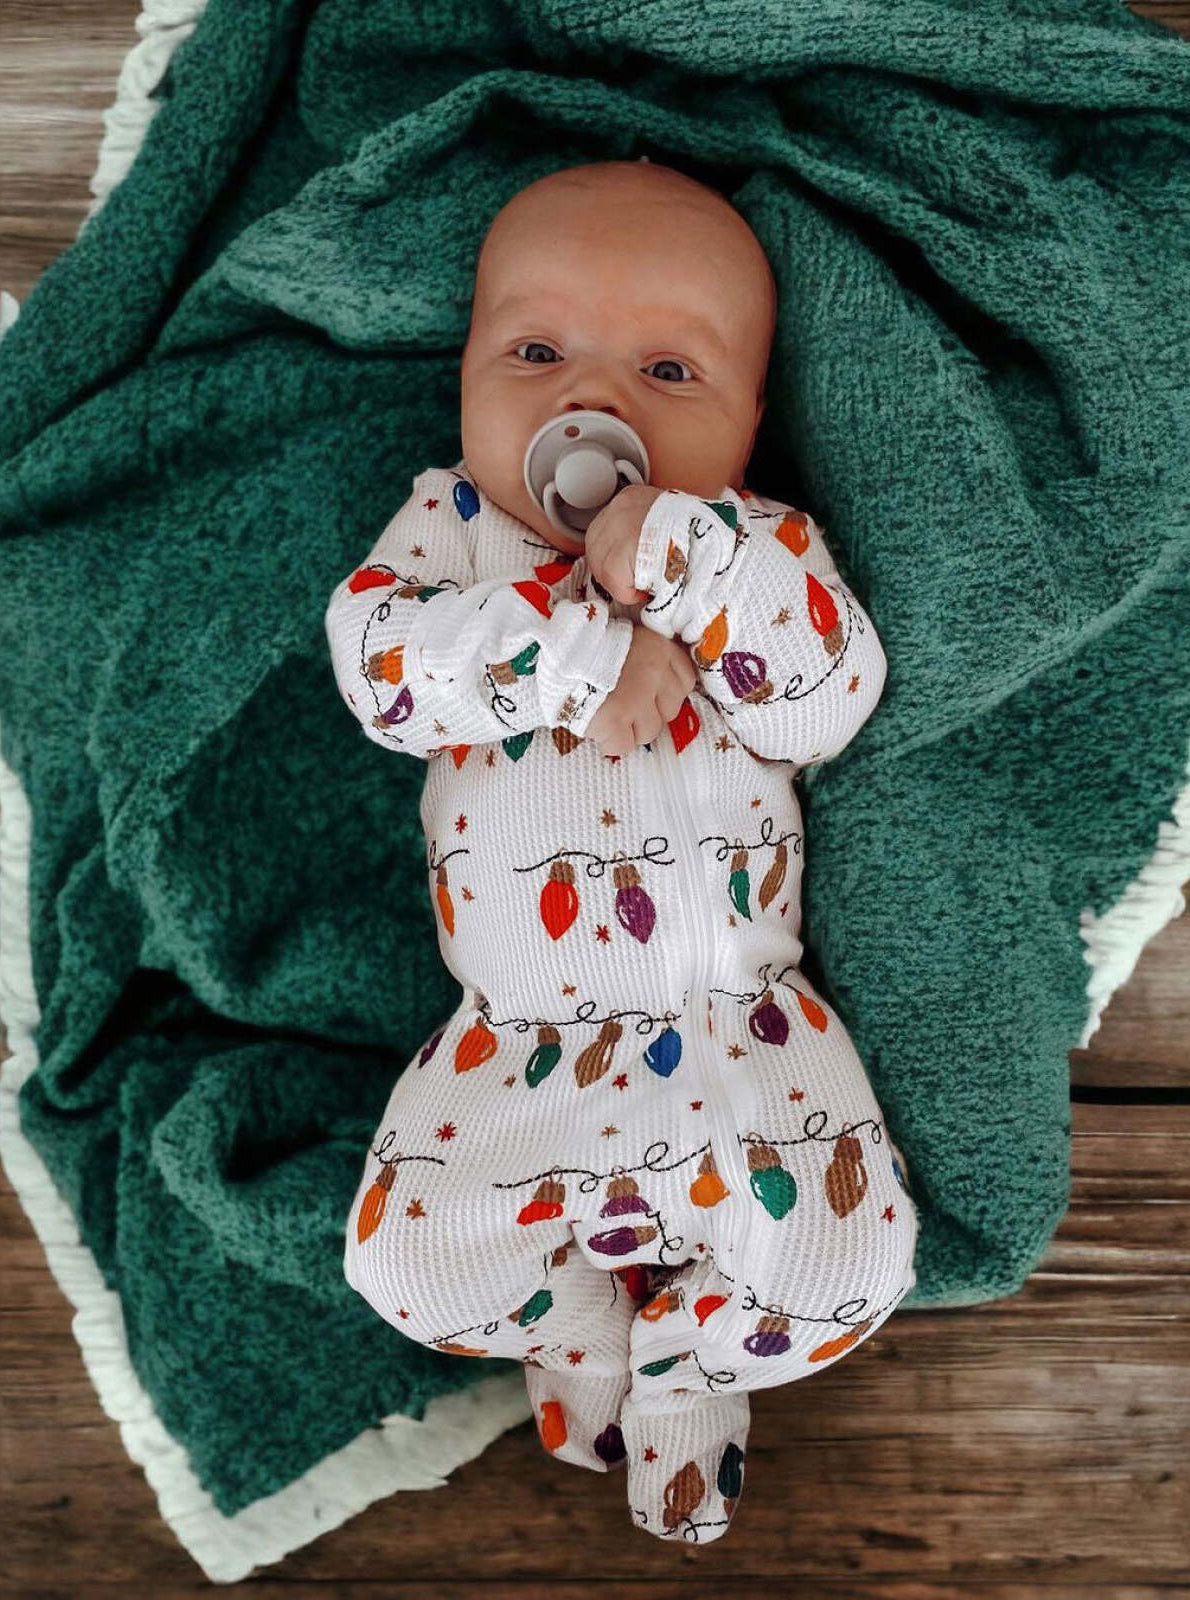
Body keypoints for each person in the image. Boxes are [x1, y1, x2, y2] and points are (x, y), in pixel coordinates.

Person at [325, 157, 919, 1545]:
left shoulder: (759, 543)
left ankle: (689, 1373)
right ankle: (580, 1327)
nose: (590, 403)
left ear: (749, 420)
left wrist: (698, 565)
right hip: (511, 1047)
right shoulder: (453, 539)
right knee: (404, 1265)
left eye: (666, 370)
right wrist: (572, 656)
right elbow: (379, 675)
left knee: (851, 1263)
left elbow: (828, 700)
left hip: (741, 1035)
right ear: (465, 379)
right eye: (536, 354)